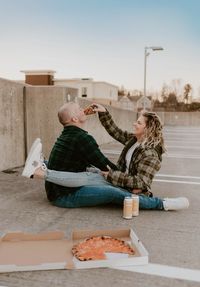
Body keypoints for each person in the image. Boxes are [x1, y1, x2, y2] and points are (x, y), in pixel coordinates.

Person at [22, 102, 189, 211]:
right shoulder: (134, 140)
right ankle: (42, 165)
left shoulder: (150, 154)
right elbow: (114, 131)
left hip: (131, 186)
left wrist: (111, 175)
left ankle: (163, 204)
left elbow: (141, 182)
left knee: (112, 192)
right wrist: (104, 112)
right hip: (119, 179)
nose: (134, 124)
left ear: (148, 129)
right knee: (92, 173)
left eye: (138, 123)